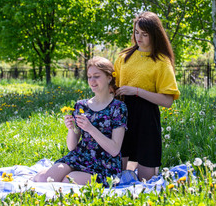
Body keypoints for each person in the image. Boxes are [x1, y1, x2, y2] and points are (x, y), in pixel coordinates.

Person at [33, 56, 127, 186]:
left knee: (67, 181)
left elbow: (115, 149)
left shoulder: (118, 107)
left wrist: (90, 129)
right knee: (45, 179)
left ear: (109, 78)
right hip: (79, 157)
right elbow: (71, 146)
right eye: (89, 77)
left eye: (96, 76)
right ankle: (44, 173)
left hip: (104, 164)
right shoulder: (81, 105)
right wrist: (71, 129)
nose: (92, 81)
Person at [114, 11, 180, 181]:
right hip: (122, 114)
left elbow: (167, 101)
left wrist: (136, 91)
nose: (139, 38)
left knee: (146, 180)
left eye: (144, 34)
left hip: (147, 117)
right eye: (136, 32)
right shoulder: (124, 57)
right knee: (117, 174)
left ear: (154, 35)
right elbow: (112, 87)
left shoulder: (161, 61)